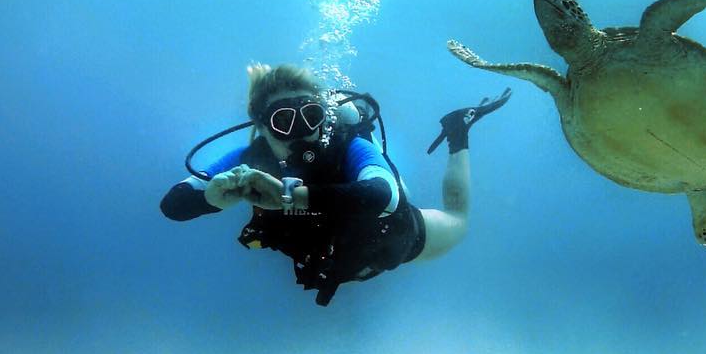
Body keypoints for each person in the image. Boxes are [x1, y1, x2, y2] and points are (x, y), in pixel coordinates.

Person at [160, 63, 510, 306]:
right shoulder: (251, 159)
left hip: (391, 238)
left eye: (311, 116)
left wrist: (288, 197)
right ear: (263, 127)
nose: (302, 131)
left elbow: (381, 195)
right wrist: (212, 197)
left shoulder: (348, 146)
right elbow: (174, 204)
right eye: (283, 121)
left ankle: (457, 133)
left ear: (323, 116)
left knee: (458, 221)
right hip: (331, 259)